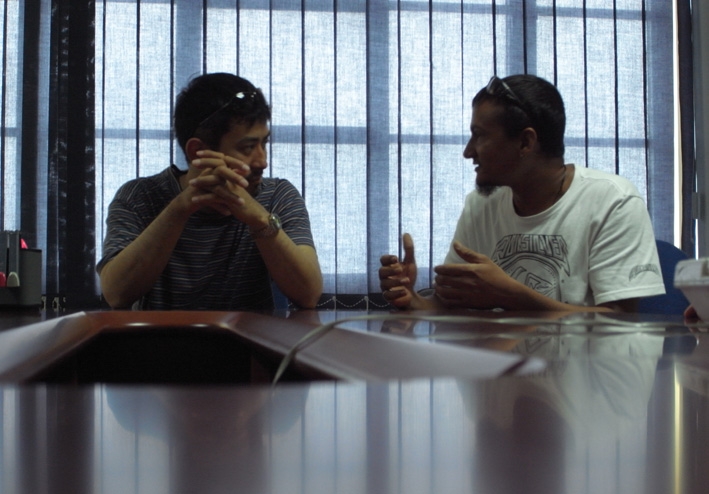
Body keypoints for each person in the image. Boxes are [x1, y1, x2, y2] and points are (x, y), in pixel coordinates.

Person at [379, 74, 665, 313]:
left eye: (480, 135)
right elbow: (449, 305)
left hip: (581, 366)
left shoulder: (614, 200)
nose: (468, 151)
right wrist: (413, 300)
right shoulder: (480, 204)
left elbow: (619, 321)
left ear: (526, 142)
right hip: (499, 364)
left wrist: (511, 296)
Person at [97, 73, 322, 310]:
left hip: (248, 335)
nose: (262, 161)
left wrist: (257, 218)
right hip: (160, 334)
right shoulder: (139, 197)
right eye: (247, 147)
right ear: (197, 151)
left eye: (264, 143)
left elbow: (308, 294)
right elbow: (116, 294)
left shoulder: (277, 195)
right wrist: (181, 208)